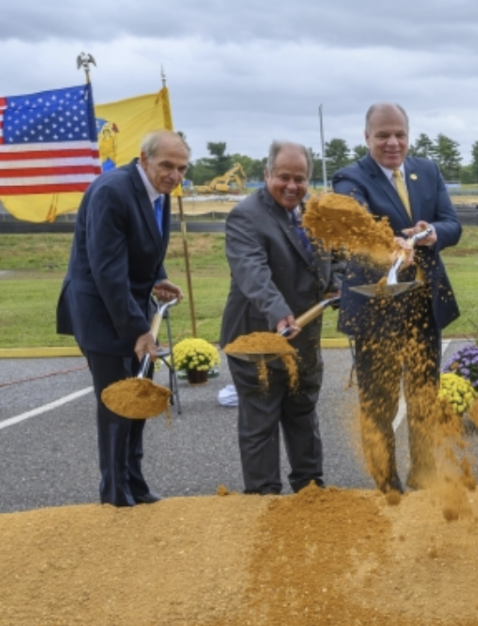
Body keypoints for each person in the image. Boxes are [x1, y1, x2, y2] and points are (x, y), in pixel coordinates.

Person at [333, 103, 462, 493]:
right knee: (380, 401)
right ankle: (386, 481)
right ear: (367, 137)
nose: (392, 142)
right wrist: (382, 241)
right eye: (383, 135)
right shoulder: (349, 178)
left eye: (399, 134)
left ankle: (423, 474)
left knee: (424, 396)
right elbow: (353, 223)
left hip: (423, 303)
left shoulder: (429, 171)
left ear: (409, 134)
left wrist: (433, 232)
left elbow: (452, 223)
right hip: (378, 304)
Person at [56, 130, 188, 507]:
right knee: (117, 402)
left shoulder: (155, 194)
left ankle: (134, 481)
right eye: (166, 165)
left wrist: (158, 275)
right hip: (102, 311)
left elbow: (141, 244)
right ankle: (114, 492)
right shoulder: (112, 191)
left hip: (129, 307)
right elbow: (108, 270)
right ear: (144, 159)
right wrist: (139, 330)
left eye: (181, 168)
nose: (174, 175)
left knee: (138, 396)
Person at [220, 141, 340, 495]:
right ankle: (263, 497)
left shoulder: (314, 212)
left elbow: (332, 257)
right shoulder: (246, 216)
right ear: (267, 174)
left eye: (300, 178)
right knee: (261, 421)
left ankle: (311, 489)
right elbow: (252, 272)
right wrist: (277, 313)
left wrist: (335, 283)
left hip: (304, 335)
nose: (292, 186)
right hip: (259, 337)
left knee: (303, 414)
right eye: (283, 177)